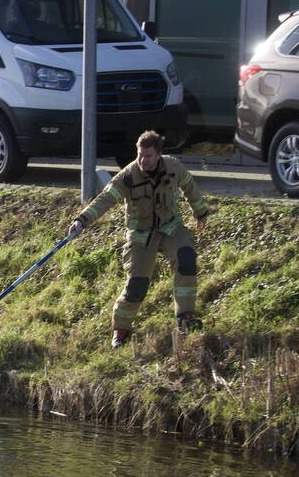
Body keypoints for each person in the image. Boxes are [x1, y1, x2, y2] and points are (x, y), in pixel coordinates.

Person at [69, 130, 209, 348]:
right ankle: (121, 330)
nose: (142, 160)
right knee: (137, 285)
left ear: (159, 155)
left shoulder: (173, 167)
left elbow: (189, 186)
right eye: (139, 155)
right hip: (141, 236)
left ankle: (186, 317)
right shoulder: (127, 176)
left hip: (171, 228)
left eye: (148, 156)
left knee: (186, 259)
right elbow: (105, 199)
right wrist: (83, 219)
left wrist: (200, 212)